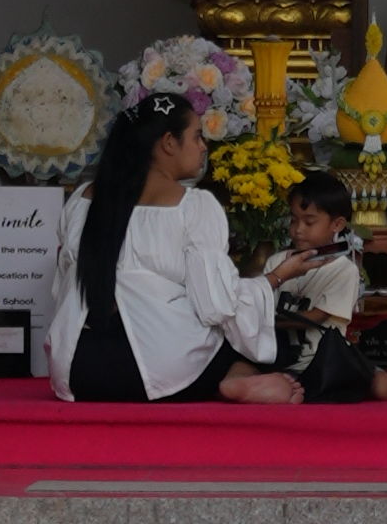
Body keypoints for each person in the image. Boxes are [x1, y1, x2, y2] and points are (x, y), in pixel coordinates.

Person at [50, 94, 303, 406]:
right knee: (258, 334)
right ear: (169, 143)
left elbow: (62, 289)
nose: (203, 147)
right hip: (159, 376)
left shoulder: (81, 201)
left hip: (80, 373)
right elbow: (215, 305)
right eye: (196, 136)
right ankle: (237, 377)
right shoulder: (193, 206)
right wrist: (274, 278)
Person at [261, 171, 387, 403]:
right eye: (293, 220)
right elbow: (261, 303)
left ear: (337, 224)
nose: (298, 229)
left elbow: (316, 317)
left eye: (309, 221)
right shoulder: (277, 262)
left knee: (385, 389)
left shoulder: (344, 269)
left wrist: (266, 320)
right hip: (281, 357)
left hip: (328, 358)